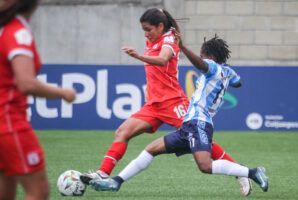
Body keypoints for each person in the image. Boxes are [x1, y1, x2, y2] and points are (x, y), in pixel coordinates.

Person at [80, 8, 251, 196]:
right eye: (143, 30)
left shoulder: (169, 40)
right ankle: (103, 174)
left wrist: (138, 56)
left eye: (148, 29)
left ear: (160, 26)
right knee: (122, 132)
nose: (146, 34)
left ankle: (239, 172)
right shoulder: (152, 38)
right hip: (153, 105)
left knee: (203, 141)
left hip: (173, 102)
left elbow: (162, 60)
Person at [0, 0, 76, 199]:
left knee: (6, 190)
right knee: (38, 191)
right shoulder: (18, 32)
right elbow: (27, 83)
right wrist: (63, 93)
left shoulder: (6, 29)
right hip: (9, 124)